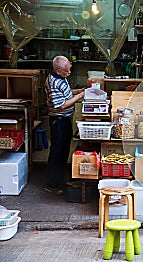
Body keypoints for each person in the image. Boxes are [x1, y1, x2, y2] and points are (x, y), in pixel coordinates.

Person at [44, 56, 85, 194]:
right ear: (58, 70)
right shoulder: (53, 82)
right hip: (59, 120)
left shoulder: (60, 77)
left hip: (64, 119)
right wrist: (79, 97)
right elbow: (61, 105)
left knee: (63, 151)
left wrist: (76, 91)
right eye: (66, 71)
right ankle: (53, 185)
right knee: (58, 152)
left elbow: (65, 94)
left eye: (70, 69)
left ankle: (59, 181)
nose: (69, 73)